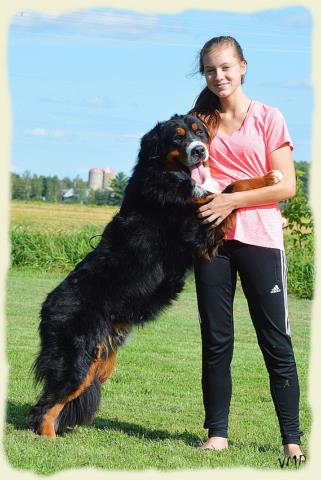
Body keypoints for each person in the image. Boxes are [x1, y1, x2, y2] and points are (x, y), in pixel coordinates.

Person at [189, 36, 304, 459]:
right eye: (210, 70)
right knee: (216, 340)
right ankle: (217, 434)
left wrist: (232, 198)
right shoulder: (200, 121)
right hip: (213, 243)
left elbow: (287, 184)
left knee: (276, 341)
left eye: (225, 67)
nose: (218, 77)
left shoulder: (270, 118)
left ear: (243, 67)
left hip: (261, 240)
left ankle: (291, 441)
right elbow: (193, 177)